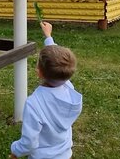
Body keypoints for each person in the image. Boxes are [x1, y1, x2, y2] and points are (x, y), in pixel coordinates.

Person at [10, 22, 82, 159]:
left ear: (39, 72)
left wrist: (15, 151)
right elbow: (57, 61)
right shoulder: (69, 89)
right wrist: (48, 36)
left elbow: (29, 143)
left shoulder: (34, 103)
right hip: (64, 154)